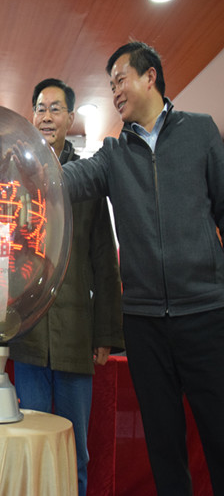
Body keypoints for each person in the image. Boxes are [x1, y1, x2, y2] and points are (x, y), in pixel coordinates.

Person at [61, 41, 224, 495]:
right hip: (144, 322)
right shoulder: (113, 154)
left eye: (120, 80)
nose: (114, 91)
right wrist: (27, 171)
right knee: (163, 446)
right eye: (111, 84)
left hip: (206, 313)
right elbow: (70, 180)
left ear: (150, 76)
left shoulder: (201, 131)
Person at [8, 78, 123, 495]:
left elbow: (104, 262)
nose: (46, 116)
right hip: (28, 336)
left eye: (55, 108)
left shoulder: (88, 180)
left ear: (70, 118)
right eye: (40, 108)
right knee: (32, 444)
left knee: (74, 449)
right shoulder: (17, 181)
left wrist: (106, 333)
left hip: (75, 336)